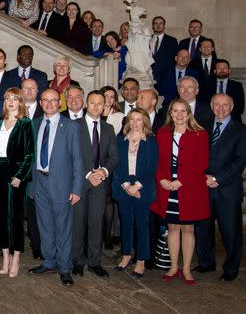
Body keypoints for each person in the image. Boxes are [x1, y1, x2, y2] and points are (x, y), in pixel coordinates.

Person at [28, 89, 84, 286]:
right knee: (45, 226)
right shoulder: (34, 125)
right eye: (45, 100)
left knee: (63, 228)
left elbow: (78, 160)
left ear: (59, 103)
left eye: (53, 100)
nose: (49, 104)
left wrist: (77, 188)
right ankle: (49, 261)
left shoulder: (70, 127)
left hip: (62, 183)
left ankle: (64, 267)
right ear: (40, 103)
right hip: (40, 182)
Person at [194, 93, 246, 281]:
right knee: (203, 228)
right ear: (211, 106)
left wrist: (216, 178)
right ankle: (206, 263)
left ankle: (231, 268)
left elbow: (239, 162)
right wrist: (202, 177)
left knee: (231, 231)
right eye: (217, 105)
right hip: (203, 187)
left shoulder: (243, 130)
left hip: (227, 189)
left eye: (225, 105)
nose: (221, 108)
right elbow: (195, 157)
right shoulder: (202, 127)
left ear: (232, 106)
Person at [152, 99, 209, 285]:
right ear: (170, 113)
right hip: (167, 188)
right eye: (175, 111)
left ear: (188, 113)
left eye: (183, 111)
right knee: (172, 227)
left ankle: (186, 269)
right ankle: (174, 266)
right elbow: (157, 160)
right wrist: (162, 179)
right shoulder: (162, 133)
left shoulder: (200, 134)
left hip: (189, 188)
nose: (179, 115)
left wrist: (180, 181)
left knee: (188, 228)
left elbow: (201, 164)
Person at [72, 90, 119, 278]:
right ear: (85, 104)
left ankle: (94, 262)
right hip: (79, 183)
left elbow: (114, 157)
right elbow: (70, 155)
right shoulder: (74, 126)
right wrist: (86, 174)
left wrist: (103, 171)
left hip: (99, 183)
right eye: (92, 102)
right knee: (78, 223)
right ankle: (77, 261)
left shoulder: (108, 129)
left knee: (95, 224)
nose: (96, 106)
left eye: (101, 103)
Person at [0, 88, 34, 278]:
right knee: (1, 215)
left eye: (15, 99)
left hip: (16, 173)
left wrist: (19, 176)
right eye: (7, 98)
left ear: (20, 102)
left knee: (15, 217)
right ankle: (5, 256)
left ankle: (16, 257)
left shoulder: (25, 124)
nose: (10, 102)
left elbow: (29, 154)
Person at [113, 108, 158, 279]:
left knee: (141, 224)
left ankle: (141, 260)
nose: (135, 123)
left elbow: (152, 167)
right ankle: (126, 255)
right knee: (125, 223)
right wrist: (126, 186)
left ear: (145, 121)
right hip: (123, 186)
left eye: (139, 120)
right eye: (132, 119)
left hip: (142, 188)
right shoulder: (120, 140)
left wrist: (136, 186)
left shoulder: (151, 141)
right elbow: (116, 164)